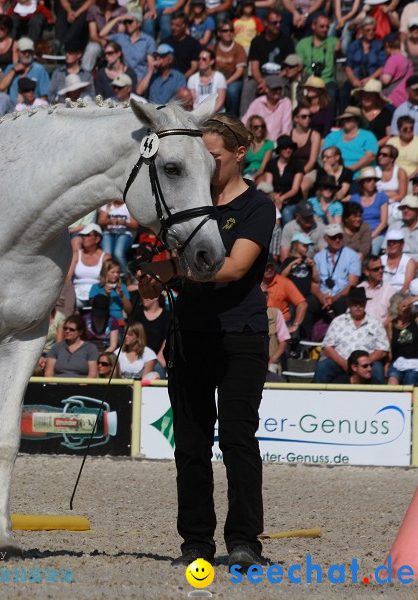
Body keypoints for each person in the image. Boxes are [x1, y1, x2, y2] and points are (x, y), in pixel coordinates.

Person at [135, 112, 275, 569]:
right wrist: (151, 282)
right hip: (190, 334)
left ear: (239, 154)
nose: (208, 166)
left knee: (238, 439)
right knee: (190, 445)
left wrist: (171, 270)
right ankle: (195, 541)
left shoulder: (257, 206)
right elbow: (167, 267)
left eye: (213, 157)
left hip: (241, 334)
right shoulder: (194, 203)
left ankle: (244, 540)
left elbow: (233, 268)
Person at [314, 287, 388, 383]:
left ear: (365, 304)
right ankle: (320, 396)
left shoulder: (376, 323)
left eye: (361, 303)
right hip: (340, 361)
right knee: (323, 366)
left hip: (366, 362)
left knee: (377, 368)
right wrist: (343, 363)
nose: (358, 306)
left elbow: (382, 350)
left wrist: (363, 363)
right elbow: (328, 347)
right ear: (348, 303)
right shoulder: (337, 321)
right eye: (354, 303)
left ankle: (378, 397)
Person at [303, 224, 361, 341]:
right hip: (324, 297)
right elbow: (314, 284)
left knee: (342, 303)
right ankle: (306, 342)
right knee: (308, 302)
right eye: (334, 237)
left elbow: (352, 284)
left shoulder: (352, 256)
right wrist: (321, 297)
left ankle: (342, 340)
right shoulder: (319, 257)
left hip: (341, 296)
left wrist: (334, 298)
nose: (337, 240)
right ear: (326, 239)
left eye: (340, 236)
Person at [350, 166, 389, 255]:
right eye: (369, 180)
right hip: (360, 233)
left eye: (374, 180)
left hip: (378, 234)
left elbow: (383, 223)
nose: (372, 182)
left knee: (373, 247)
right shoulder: (354, 198)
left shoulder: (382, 197)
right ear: (362, 183)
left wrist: (371, 235)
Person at [43, 314, 98, 378]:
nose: (67, 331)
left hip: (81, 386)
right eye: (65, 328)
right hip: (58, 386)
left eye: (71, 329)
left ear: (80, 332)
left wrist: (81, 386)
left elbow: (92, 374)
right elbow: (48, 373)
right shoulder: (56, 347)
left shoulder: (90, 348)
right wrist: (55, 386)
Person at [241, 75, 293, 142]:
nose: (278, 91)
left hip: (277, 145)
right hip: (258, 144)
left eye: (280, 88)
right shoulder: (257, 103)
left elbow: (286, 129)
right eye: (274, 89)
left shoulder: (286, 102)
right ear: (266, 89)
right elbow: (245, 123)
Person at [0, 37, 51, 102]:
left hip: (32, 109)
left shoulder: (40, 69)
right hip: (12, 110)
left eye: (29, 51)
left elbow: (44, 96)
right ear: (18, 51)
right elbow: (1, 87)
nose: (27, 54)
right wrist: (14, 70)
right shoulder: (10, 68)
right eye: (24, 52)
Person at [359, 254, 396, 322]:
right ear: (366, 272)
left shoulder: (390, 290)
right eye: (376, 269)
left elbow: (393, 316)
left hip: (381, 329)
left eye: (382, 267)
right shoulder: (359, 289)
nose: (380, 271)